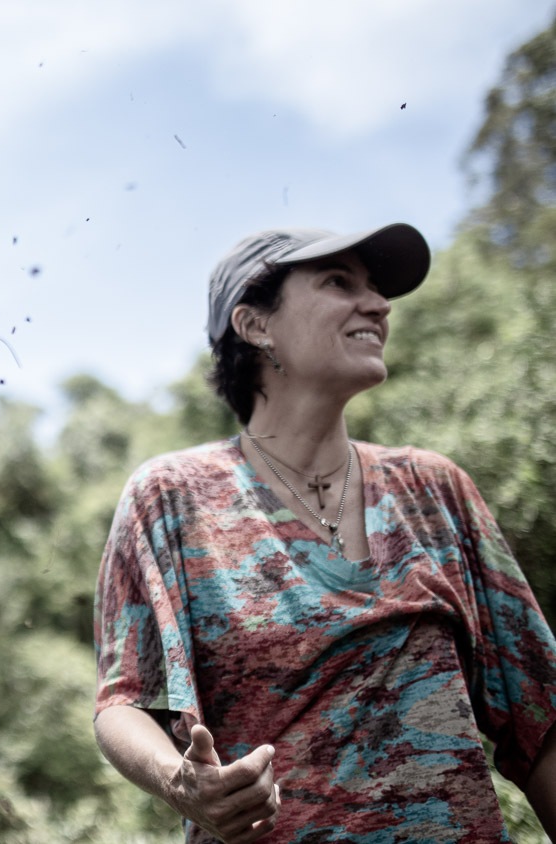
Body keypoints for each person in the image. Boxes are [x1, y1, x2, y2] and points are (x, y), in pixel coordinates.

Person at [92, 223, 556, 843]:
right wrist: (181, 783)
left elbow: (540, 720)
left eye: (376, 289)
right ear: (256, 325)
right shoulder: (172, 498)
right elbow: (121, 702)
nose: (378, 305)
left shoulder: (435, 489)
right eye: (339, 282)